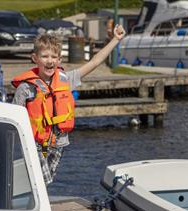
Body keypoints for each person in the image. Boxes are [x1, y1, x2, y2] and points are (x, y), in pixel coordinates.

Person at [11, 24, 126, 185]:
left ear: (59, 60)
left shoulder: (66, 79)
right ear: (35, 58)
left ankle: (33, 204)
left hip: (59, 143)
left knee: (45, 182)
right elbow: (13, 118)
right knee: (39, 181)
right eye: (45, 56)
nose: (49, 61)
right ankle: (35, 207)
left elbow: (94, 63)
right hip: (35, 144)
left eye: (53, 57)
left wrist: (115, 39)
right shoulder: (25, 88)